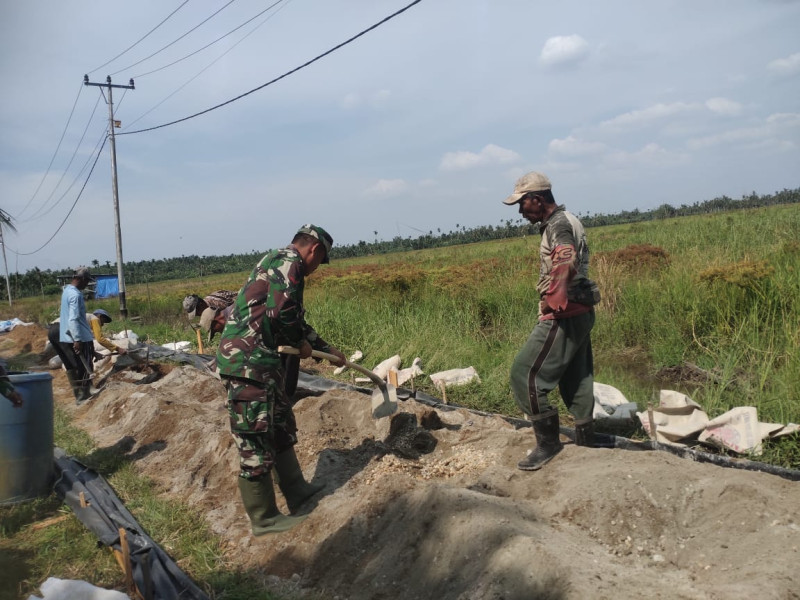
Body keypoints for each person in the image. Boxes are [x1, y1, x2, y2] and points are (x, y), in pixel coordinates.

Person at [216, 224, 346, 536]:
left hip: (262, 361)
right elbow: (284, 314)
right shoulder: (292, 265)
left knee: (280, 426)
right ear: (314, 250)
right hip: (246, 362)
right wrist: (298, 342)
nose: (316, 269)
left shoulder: (275, 261)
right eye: (320, 261)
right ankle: (264, 517)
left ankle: (297, 490)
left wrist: (325, 348)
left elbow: (294, 318)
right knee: (255, 437)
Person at [503, 172, 601, 471]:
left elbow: (565, 256)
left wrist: (557, 288)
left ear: (538, 198)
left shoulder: (558, 224)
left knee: (524, 374)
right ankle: (586, 437)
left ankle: (548, 443)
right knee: (576, 376)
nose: (521, 211)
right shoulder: (567, 219)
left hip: (564, 311)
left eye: (523, 203)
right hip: (581, 311)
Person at [47, 267, 97, 404]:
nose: (87, 284)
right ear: (81, 279)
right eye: (86, 281)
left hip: (66, 333)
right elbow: (73, 318)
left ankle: (78, 395)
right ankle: (86, 392)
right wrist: (78, 339)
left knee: (71, 365)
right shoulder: (76, 295)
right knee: (84, 364)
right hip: (79, 334)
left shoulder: (67, 291)